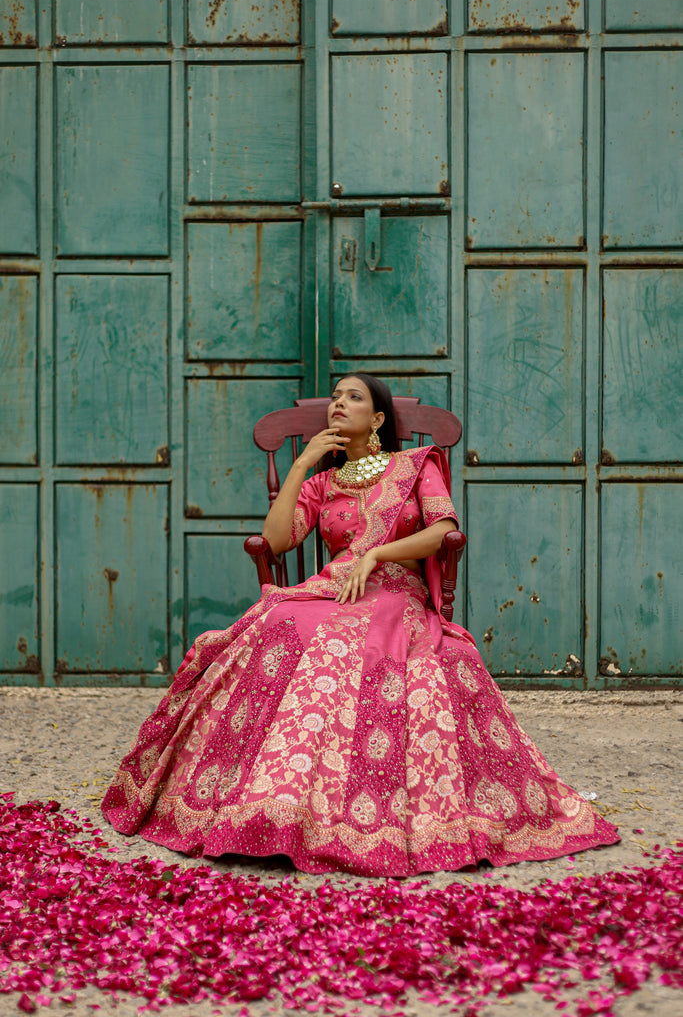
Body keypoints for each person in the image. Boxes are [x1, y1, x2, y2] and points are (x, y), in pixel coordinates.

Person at [102, 374, 619, 876]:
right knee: (278, 617)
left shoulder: (414, 466)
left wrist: (376, 556)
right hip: (335, 590)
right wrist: (302, 465)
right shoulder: (324, 482)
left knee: (342, 640)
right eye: (334, 397)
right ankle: (273, 792)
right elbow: (276, 541)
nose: (338, 404)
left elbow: (442, 531)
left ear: (376, 418)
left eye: (353, 397)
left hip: (396, 592)